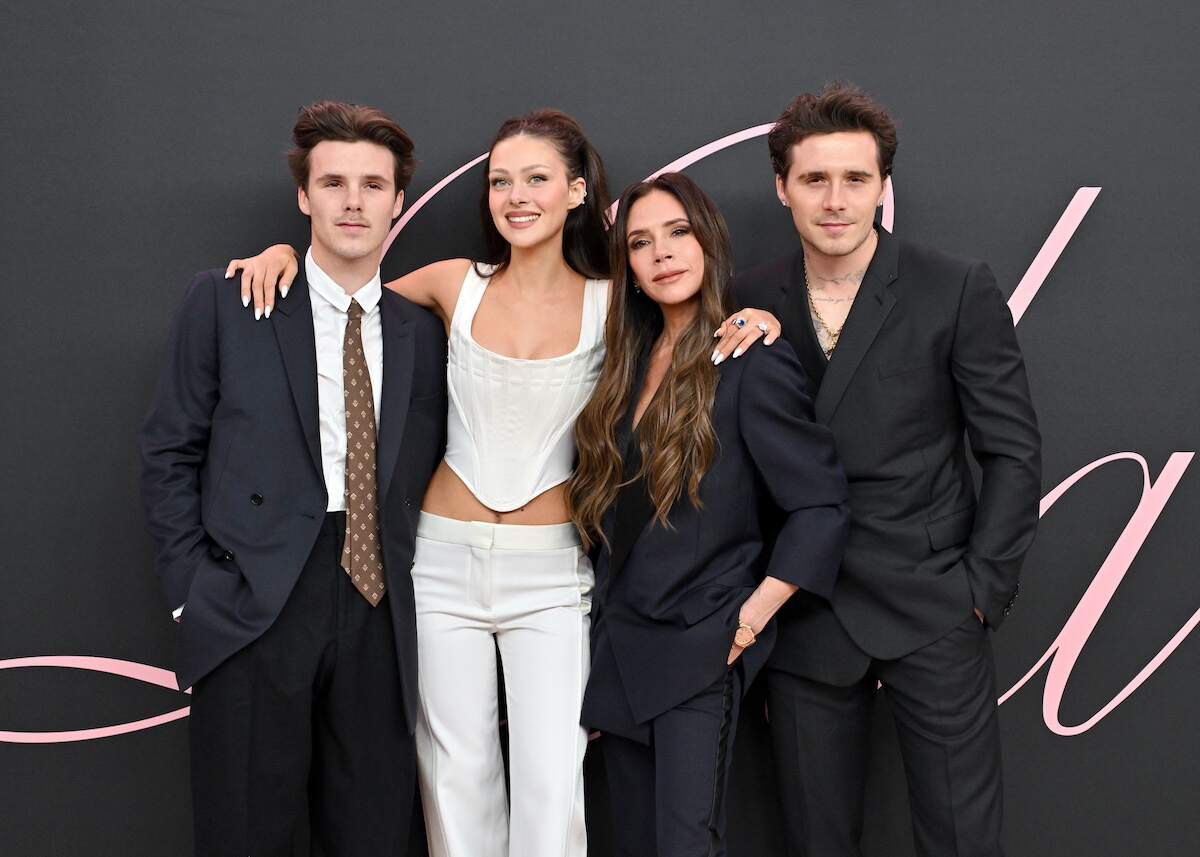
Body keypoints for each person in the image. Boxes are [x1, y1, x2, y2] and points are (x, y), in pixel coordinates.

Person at [226, 110, 784, 857]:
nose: (516, 195)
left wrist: (756, 313)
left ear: (576, 190)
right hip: (442, 565)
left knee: (554, 781)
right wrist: (281, 256)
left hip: (553, 572)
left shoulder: (612, 297)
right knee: (455, 779)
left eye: (536, 178)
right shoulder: (457, 283)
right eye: (500, 181)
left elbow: (690, 303)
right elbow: (348, 287)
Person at [732, 85, 1042, 857]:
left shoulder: (954, 285)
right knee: (817, 841)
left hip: (932, 598)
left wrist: (981, 590)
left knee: (963, 840)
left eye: (856, 179)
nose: (835, 200)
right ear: (782, 186)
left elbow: (1011, 449)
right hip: (807, 608)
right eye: (814, 179)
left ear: (882, 186)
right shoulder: (743, 297)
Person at [140, 100, 446, 856]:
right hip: (257, 599)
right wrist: (192, 596)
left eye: (372, 184)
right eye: (334, 182)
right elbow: (168, 451)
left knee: (374, 831)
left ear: (399, 200)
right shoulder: (228, 301)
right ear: (304, 196)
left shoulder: (423, 331)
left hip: (383, 603)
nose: (353, 201)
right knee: (247, 830)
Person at [568, 172, 848, 857]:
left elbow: (821, 506)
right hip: (624, 649)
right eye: (640, 242)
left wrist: (749, 620)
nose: (661, 253)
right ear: (627, 267)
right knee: (631, 841)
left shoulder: (752, 356)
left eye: (678, 233)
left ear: (708, 242)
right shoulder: (624, 367)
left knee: (685, 845)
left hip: (702, 645)